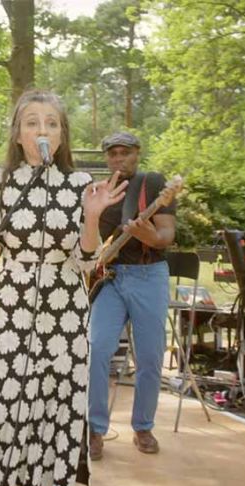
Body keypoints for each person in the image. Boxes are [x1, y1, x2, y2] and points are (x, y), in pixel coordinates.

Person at [0, 89, 126, 486]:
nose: (42, 129)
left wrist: (94, 216)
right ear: (17, 134)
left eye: (51, 122)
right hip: (12, 304)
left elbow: (86, 261)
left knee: (59, 399)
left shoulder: (80, 183)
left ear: (61, 135)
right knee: (16, 398)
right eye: (32, 122)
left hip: (65, 303)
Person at [87, 131, 176, 460]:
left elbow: (167, 233)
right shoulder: (99, 190)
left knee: (150, 357)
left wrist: (151, 237)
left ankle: (143, 426)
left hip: (148, 275)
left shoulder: (152, 183)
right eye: (112, 154)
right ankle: (95, 429)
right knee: (96, 350)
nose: (118, 158)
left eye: (125, 152)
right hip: (107, 280)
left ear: (137, 153)